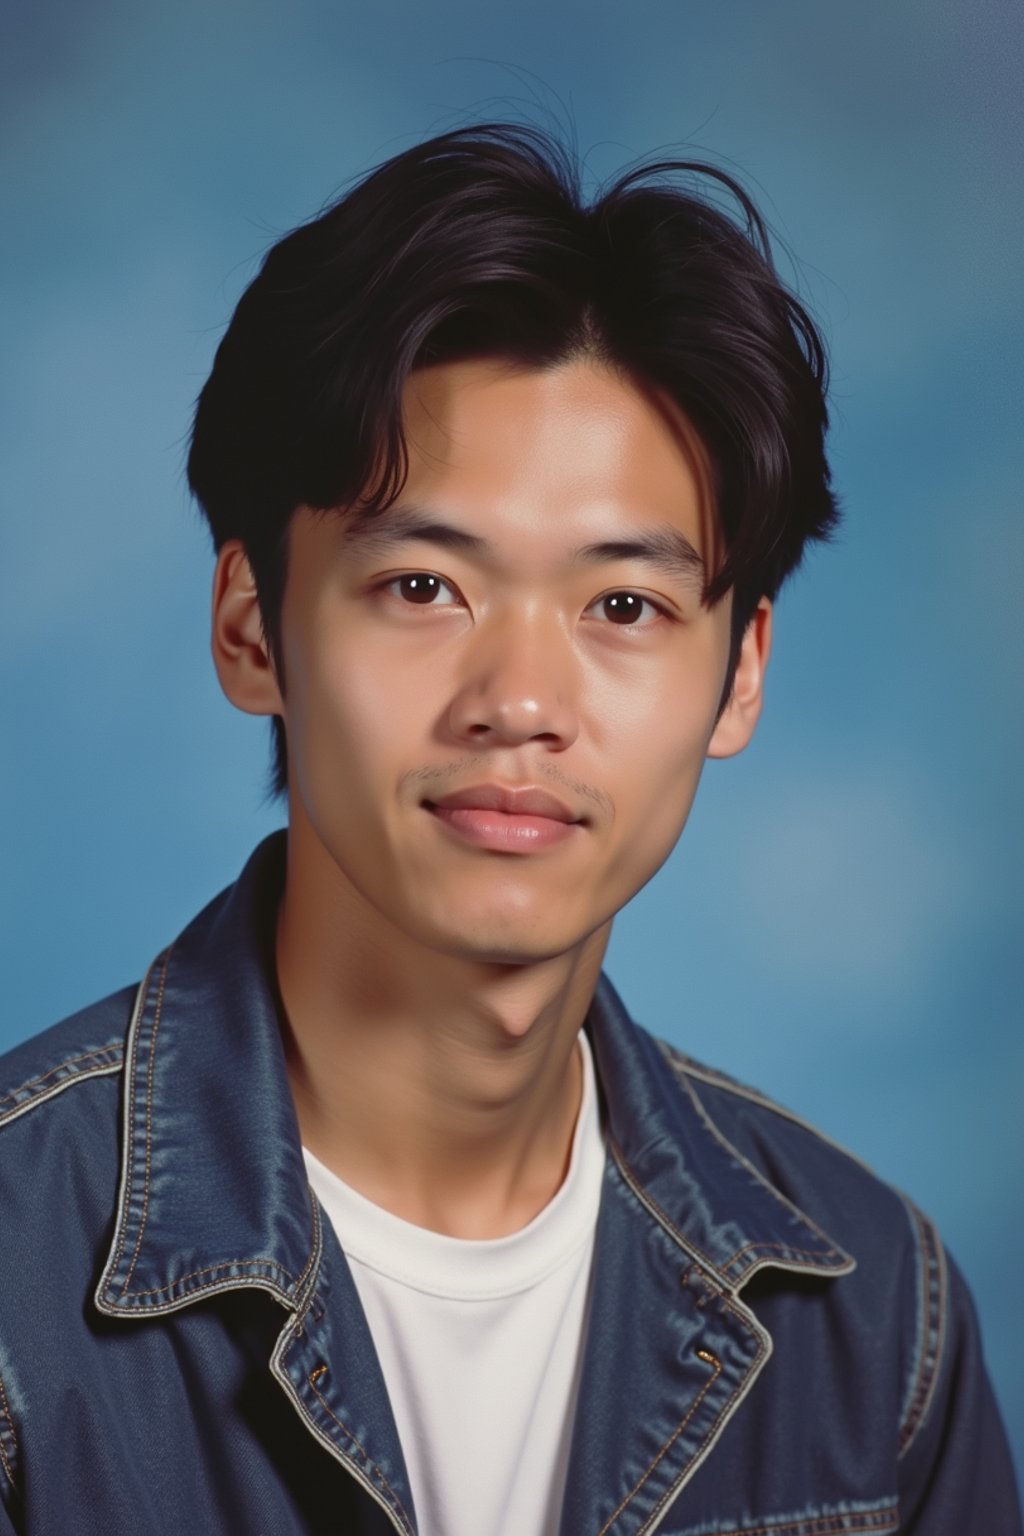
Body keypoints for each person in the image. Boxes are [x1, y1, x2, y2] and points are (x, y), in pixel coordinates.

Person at [0, 123, 1017, 1536]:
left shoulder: (875, 1320)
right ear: (252, 629)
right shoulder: (14, 1276)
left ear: (743, 674)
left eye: (624, 608)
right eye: (423, 587)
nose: (520, 703)